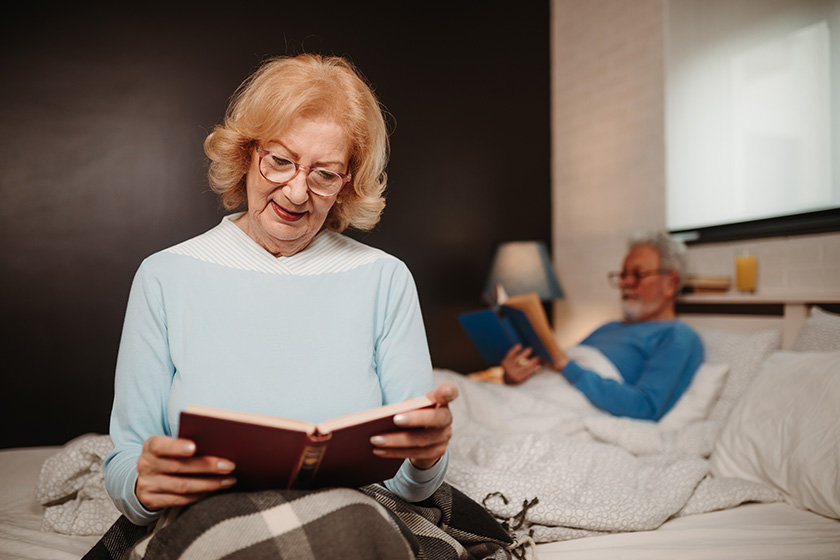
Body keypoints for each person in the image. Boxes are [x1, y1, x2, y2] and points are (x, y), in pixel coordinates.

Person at [102, 54, 460, 552]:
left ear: (346, 185)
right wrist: (143, 485)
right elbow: (125, 461)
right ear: (248, 153)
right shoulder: (165, 275)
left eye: (325, 174)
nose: (296, 191)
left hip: (355, 514)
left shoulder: (385, 279)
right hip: (212, 517)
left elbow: (407, 485)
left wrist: (426, 458)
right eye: (280, 160)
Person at [501, 231, 703, 421]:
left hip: (566, 407)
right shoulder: (608, 327)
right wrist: (513, 378)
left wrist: (568, 367)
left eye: (638, 274)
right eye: (623, 275)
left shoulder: (677, 336)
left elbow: (645, 407)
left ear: (670, 284)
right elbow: (561, 367)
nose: (625, 283)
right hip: (538, 393)